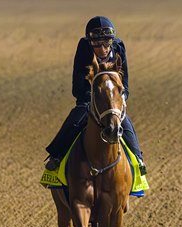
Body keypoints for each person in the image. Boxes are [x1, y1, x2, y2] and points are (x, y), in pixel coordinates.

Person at [45, 16, 147, 175]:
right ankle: (56, 156)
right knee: (76, 117)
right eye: (97, 44)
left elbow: (124, 80)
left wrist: (122, 97)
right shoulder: (83, 49)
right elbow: (77, 83)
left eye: (106, 43)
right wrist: (92, 98)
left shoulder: (119, 47)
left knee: (125, 122)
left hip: (114, 98)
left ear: (111, 41)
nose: (102, 48)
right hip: (89, 97)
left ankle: (138, 158)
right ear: (90, 42)